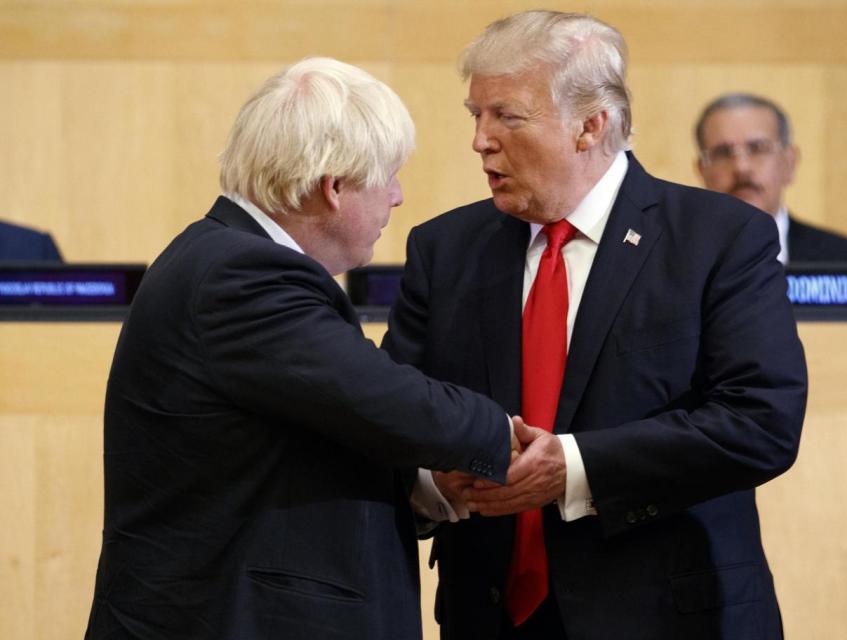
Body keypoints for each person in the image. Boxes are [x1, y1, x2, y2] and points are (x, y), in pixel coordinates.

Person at [382, 10, 807, 640]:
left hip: (671, 615)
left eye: (506, 115)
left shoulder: (717, 238)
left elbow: (760, 421)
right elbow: (394, 419)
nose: (480, 139)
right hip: (489, 615)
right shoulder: (444, 251)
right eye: (476, 115)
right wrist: (437, 484)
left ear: (590, 124)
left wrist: (576, 468)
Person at [84, 57, 522, 640]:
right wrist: (508, 435)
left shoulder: (221, 258)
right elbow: (386, 400)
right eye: (388, 175)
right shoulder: (242, 277)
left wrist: (430, 488)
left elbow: (310, 448)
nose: (397, 196)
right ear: (334, 187)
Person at [694, 92, 847, 264]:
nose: (742, 167)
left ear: (789, 163)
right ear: (702, 171)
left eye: (758, 148)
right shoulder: (674, 261)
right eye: (723, 153)